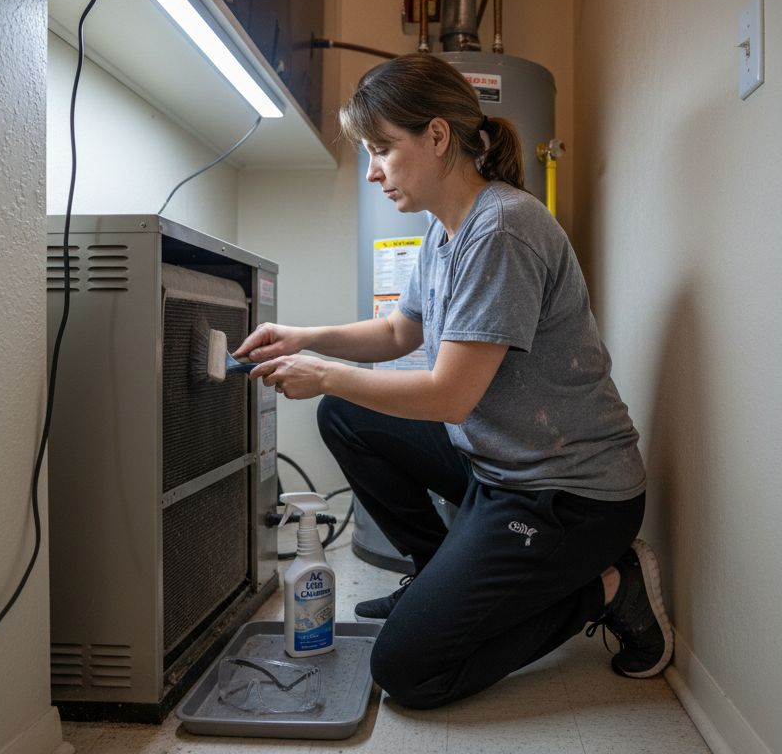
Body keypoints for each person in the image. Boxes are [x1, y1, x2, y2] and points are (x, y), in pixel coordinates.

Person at [236, 52, 672, 710]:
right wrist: (305, 337)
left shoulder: (503, 229)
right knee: (345, 417)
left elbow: (449, 394)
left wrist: (325, 374)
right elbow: (397, 336)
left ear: (437, 137)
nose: (374, 171)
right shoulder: (444, 233)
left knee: (409, 671)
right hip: (500, 463)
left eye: (383, 149)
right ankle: (436, 574)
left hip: (569, 496)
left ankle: (609, 588)